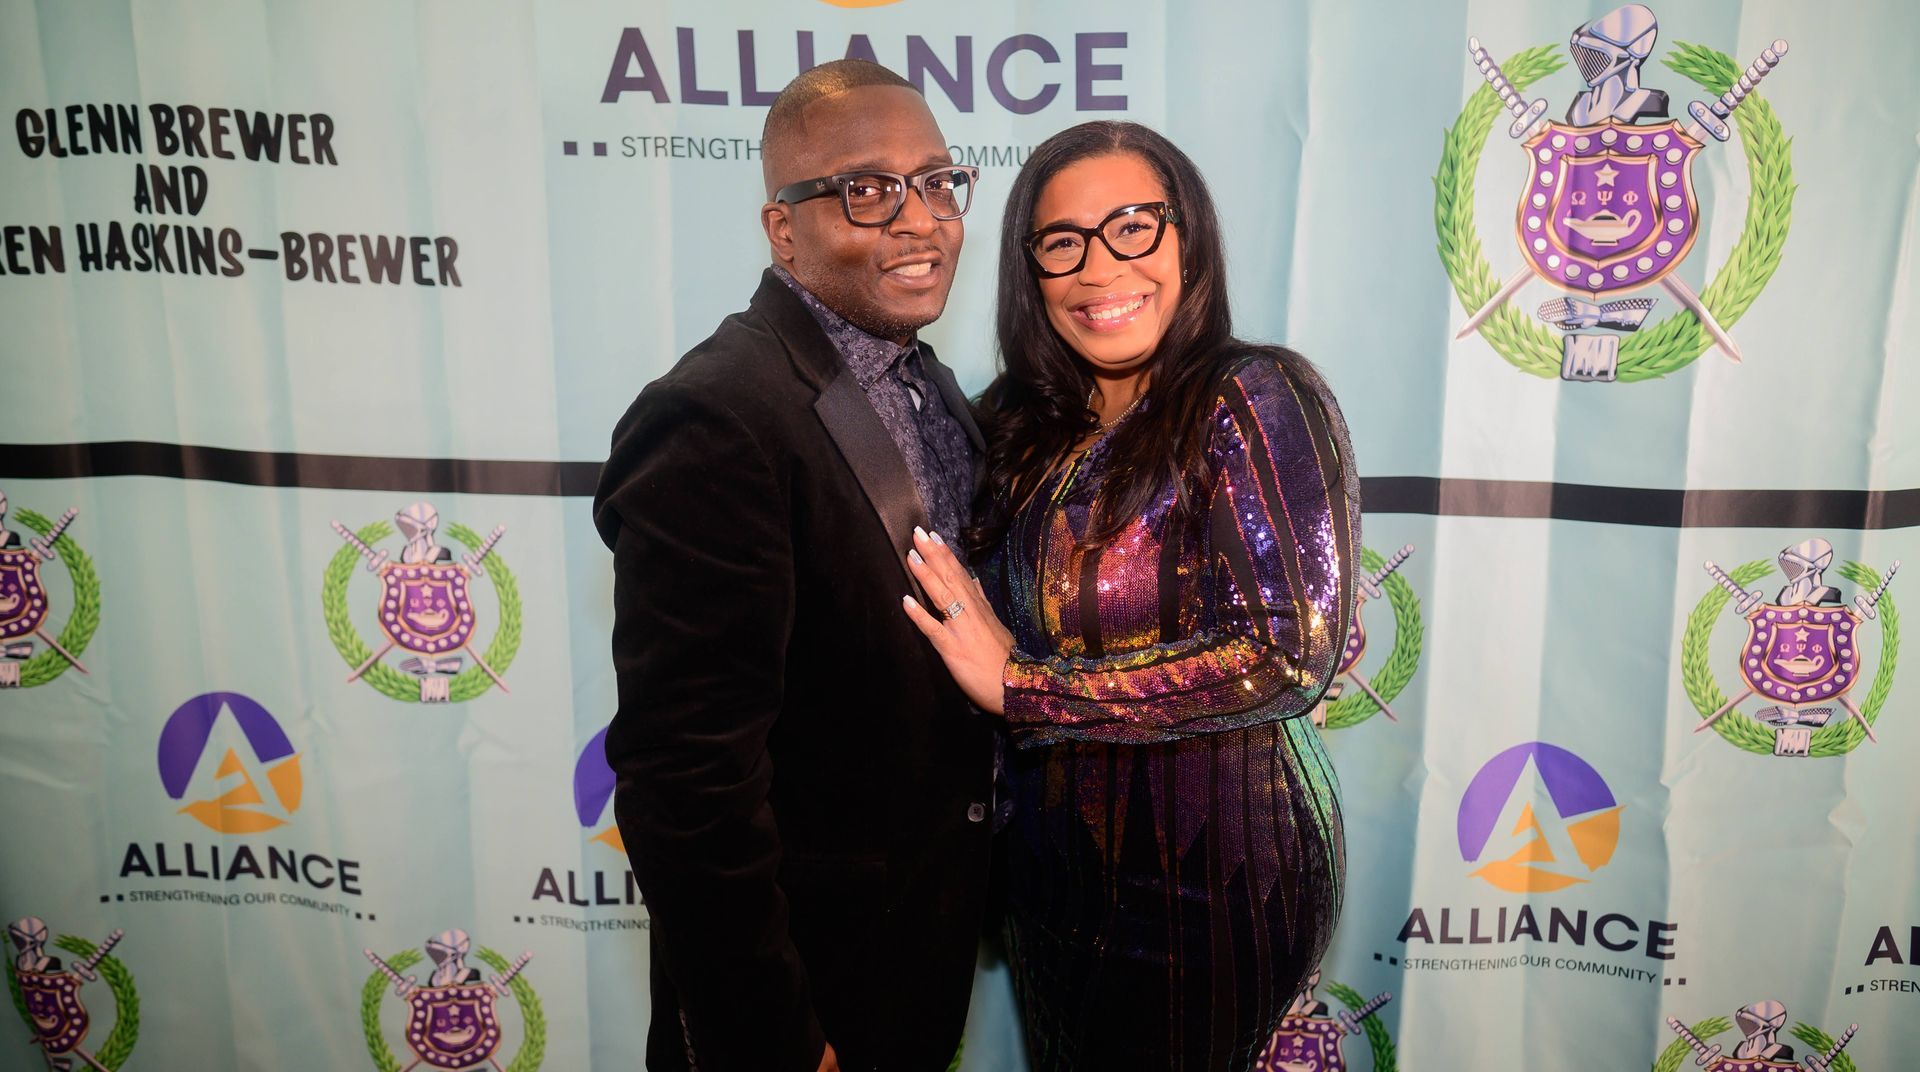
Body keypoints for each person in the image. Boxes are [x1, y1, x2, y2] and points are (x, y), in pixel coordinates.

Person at [901, 121, 1359, 1070]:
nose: (1099, 268)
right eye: (1062, 242)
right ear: (1031, 272)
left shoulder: (1253, 394)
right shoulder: (1016, 424)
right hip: (1051, 871)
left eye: (1134, 227)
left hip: (1215, 876)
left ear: (1187, 236)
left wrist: (1028, 689)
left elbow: (1286, 655)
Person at [592, 60, 994, 1072]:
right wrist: (773, 1036)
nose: (920, 219)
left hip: (915, 957)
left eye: (938, 181)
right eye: (867, 189)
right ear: (784, 230)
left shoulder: (920, 379)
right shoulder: (717, 416)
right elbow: (686, 783)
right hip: (804, 997)